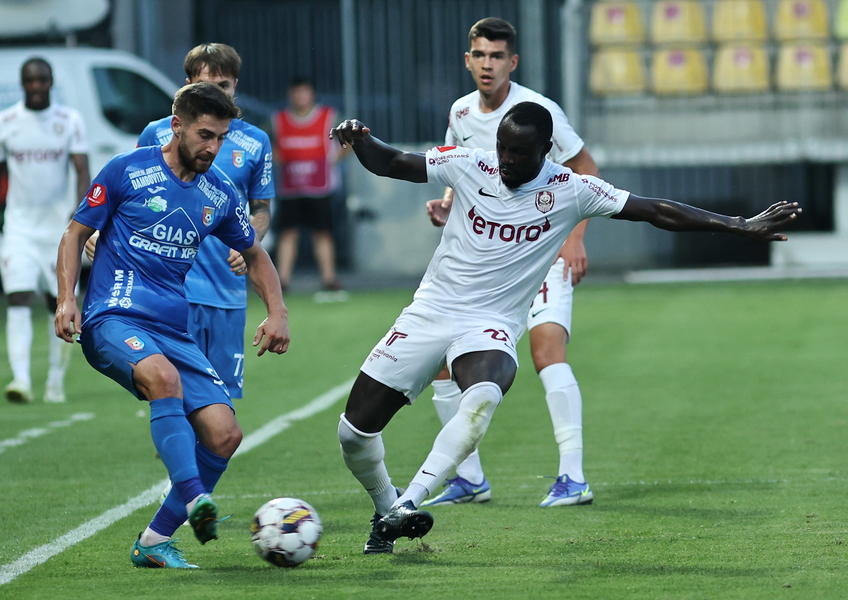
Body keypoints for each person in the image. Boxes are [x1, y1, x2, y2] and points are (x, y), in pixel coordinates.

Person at [330, 105, 799, 553]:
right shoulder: (470, 164)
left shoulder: (572, 188)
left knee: (482, 397)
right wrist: (361, 139)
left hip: (490, 325)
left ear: (546, 150)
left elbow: (655, 210)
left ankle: (411, 500)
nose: (506, 160)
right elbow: (394, 162)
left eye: (518, 152)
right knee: (353, 434)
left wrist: (739, 225)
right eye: (502, 148)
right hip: (430, 312)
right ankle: (387, 509)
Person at [55, 82, 289, 569]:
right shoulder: (127, 169)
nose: (213, 148)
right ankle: (194, 498)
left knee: (225, 434)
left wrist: (278, 311)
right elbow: (76, 233)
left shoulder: (218, 191)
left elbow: (255, 254)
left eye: (221, 138)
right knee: (163, 379)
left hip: (172, 327)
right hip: (113, 316)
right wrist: (65, 299)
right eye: (205, 135)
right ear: (176, 125)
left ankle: (155, 540)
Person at [422, 17, 600, 509]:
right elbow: (460, 175)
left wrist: (575, 238)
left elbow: (586, 169)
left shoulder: (538, 110)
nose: (487, 64)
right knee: (443, 362)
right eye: (479, 55)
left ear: (512, 62)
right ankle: (469, 479)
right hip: (483, 263)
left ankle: (573, 476)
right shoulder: (460, 113)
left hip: (539, 252)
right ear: (467, 59)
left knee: (547, 353)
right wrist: (446, 203)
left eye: (496, 56)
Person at [86, 43, 275, 401]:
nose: (216, 94)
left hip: (226, 289)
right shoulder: (157, 133)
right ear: (187, 85)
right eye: (207, 85)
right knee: (171, 387)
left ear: (236, 84)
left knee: (220, 400)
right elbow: (127, 193)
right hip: (167, 291)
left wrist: (252, 239)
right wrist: (99, 232)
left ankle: (193, 452)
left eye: (225, 86)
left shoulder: (256, 141)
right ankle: (179, 445)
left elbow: (261, 207)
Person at [0, 57, 90, 404]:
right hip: (19, 229)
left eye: (43, 80)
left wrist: (81, 217)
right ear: (22, 83)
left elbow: (82, 170)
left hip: (59, 232)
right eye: (31, 80)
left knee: (57, 303)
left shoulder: (69, 120)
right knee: (17, 297)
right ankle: (21, 379)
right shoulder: (5, 122)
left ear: (51, 81)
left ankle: (55, 379)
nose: (37, 86)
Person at [271, 77, 348, 292]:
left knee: (322, 232)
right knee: (287, 232)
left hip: (320, 187)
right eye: (297, 92)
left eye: (304, 92)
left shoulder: (329, 117)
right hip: (290, 187)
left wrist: (333, 160)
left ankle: (329, 278)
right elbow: (268, 144)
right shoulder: (278, 120)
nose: (301, 97)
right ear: (290, 95)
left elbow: (349, 141)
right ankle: (282, 280)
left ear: (312, 94)